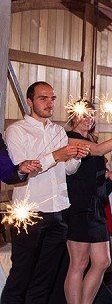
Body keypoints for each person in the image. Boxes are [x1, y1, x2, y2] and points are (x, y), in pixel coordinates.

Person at [2, 81, 90, 304]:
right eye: (43, 98)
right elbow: (22, 171)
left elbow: (68, 170)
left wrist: (76, 157)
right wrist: (58, 154)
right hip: (30, 213)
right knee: (20, 277)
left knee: (45, 279)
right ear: (30, 102)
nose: (50, 103)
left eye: (52, 98)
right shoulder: (16, 131)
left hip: (58, 211)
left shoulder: (58, 130)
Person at [64, 101, 112, 304]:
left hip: (95, 206)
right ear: (73, 116)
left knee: (103, 262)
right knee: (79, 262)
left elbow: (93, 173)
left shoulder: (92, 140)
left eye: (91, 115)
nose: (88, 119)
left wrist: (108, 176)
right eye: (84, 115)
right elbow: (97, 150)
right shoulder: (69, 139)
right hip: (78, 206)